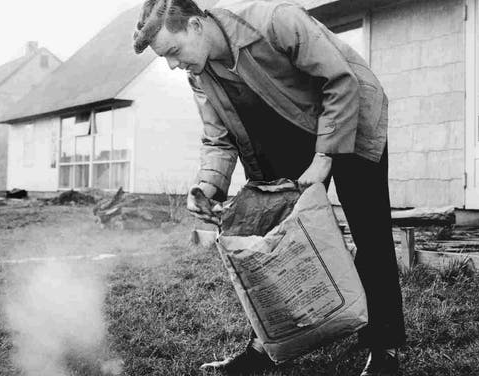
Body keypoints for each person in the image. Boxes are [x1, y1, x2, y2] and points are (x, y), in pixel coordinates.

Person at [133, 0, 406, 375]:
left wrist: (324, 157)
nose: (173, 65)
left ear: (196, 25)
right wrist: (207, 185)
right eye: (166, 58)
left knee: (369, 230)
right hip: (296, 129)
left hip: (354, 114)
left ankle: (384, 349)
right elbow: (218, 140)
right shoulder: (199, 75)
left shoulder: (277, 20)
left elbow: (340, 81)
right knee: (267, 236)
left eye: (174, 52)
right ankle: (263, 348)